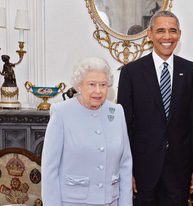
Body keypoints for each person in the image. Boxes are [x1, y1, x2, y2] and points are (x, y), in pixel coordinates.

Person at [117, 10, 193, 205]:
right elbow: (123, 126)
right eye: (161, 31)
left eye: (172, 31)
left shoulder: (191, 71)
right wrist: (126, 170)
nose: (167, 37)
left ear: (179, 34)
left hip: (179, 171)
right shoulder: (131, 72)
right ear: (150, 34)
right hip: (142, 170)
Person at [42, 57, 133, 206]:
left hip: (111, 201)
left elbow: (125, 164)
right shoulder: (61, 113)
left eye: (103, 85)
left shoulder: (116, 112)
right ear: (79, 86)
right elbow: (50, 170)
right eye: (92, 84)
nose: (98, 91)